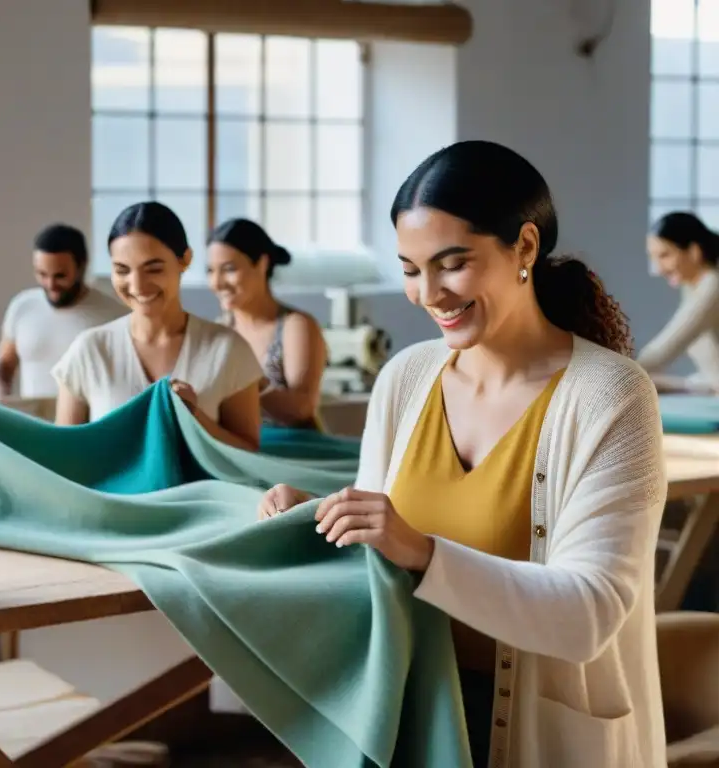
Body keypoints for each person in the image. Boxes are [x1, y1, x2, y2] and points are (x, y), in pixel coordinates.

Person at [257, 141, 667, 767]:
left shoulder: (610, 396)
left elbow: (588, 614)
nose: (427, 294)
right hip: (411, 719)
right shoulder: (406, 378)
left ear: (525, 247)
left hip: (536, 738)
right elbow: (380, 565)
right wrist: (320, 519)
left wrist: (418, 549)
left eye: (452, 264)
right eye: (410, 268)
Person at [52, 202, 264, 452]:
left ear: (185, 259)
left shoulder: (227, 349)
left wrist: (194, 416)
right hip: (109, 492)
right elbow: (64, 454)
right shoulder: (90, 350)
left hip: (202, 492)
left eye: (153, 269)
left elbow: (248, 453)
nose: (137, 286)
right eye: (122, 270)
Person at [206, 218, 327, 429]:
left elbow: (301, 409)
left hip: (291, 452)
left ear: (261, 264)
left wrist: (246, 377)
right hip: (238, 448)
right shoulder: (220, 330)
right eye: (211, 271)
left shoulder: (295, 326)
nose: (217, 282)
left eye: (229, 269)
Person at [0, 224, 127, 401]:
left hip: (88, 425)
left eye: (60, 276)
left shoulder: (115, 315)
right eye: (42, 274)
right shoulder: (22, 306)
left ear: (82, 266)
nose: (50, 284)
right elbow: (2, 366)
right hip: (32, 422)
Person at [637, 211, 719, 393]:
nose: (659, 269)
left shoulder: (713, 286)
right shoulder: (693, 286)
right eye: (653, 258)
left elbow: (665, 349)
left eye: (665, 255)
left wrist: (608, 371)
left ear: (694, 252)